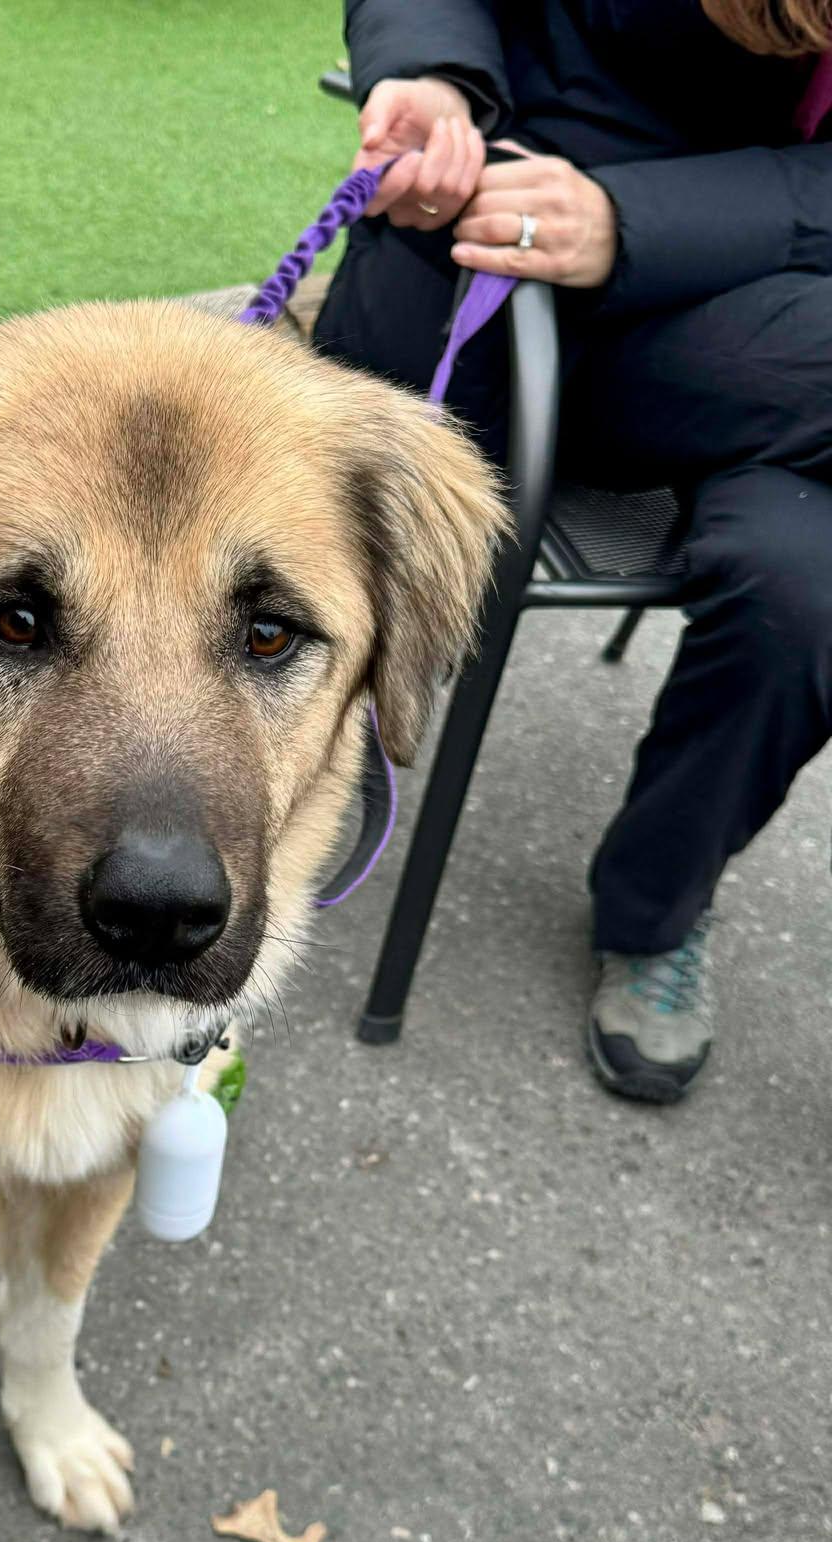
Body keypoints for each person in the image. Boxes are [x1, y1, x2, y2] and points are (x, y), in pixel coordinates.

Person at [314, 0, 832, 1103]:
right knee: (351, 512)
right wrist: (432, 80)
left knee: (808, 587)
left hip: (759, 324)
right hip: (486, 265)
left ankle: (657, 909)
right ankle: (291, 744)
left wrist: (631, 219)